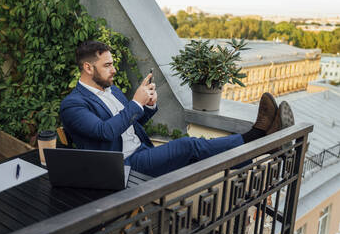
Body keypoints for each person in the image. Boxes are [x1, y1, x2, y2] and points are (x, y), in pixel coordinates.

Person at [60, 40, 294, 177]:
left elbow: (129, 125)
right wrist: (135, 103)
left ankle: (263, 144)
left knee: (197, 152)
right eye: (108, 65)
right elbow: (105, 132)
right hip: (123, 168)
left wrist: (148, 107)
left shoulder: (112, 90)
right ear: (88, 68)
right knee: (189, 145)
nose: (114, 70)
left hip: (142, 152)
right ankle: (258, 136)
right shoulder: (73, 105)